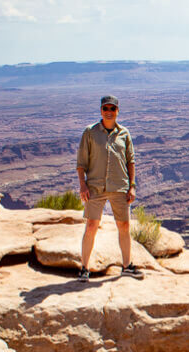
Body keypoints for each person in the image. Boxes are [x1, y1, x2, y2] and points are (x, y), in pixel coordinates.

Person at [76, 95, 143, 281]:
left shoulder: (124, 134)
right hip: (95, 186)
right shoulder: (90, 133)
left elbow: (131, 161)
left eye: (112, 109)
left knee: (124, 225)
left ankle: (127, 266)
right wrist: (82, 184)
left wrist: (132, 186)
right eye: (105, 108)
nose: (109, 112)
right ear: (100, 110)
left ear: (117, 111)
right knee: (91, 226)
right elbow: (81, 162)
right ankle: (84, 268)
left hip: (119, 186)